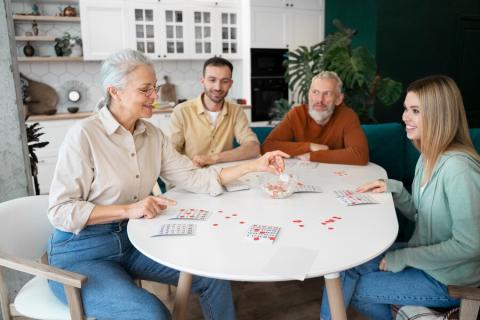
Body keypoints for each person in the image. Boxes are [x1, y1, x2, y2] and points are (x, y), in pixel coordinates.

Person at [47, 49, 288, 320]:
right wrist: (128, 210)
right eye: (145, 89)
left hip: (134, 240)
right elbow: (60, 211)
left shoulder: (152, 135)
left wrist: (254, 165)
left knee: (213, 276)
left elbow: (197, 178)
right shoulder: (84, 135)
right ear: (115, 92)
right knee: (151, 313)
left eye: (155, 87)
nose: (155, 96)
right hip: (82, 253)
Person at [320, 75, 480, 320]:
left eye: (415, 111)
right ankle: (411, 313)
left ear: (440, 115)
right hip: (425, 257)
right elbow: (419, 213)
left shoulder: (459, 169)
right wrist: (392, 189)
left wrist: (405, 257)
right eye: (406, 109)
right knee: (344, 268)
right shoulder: (427, 156)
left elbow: (470, 245)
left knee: (353, 291)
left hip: (447, 279)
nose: (405, 117)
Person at [262, 71, 369, 165]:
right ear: (309, 94)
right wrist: (310, 147)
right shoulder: (297, 114)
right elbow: (267, 147)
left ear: (338, 99)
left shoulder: (347, 116)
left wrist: (311, 156)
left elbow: (360, 155)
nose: (319, 100)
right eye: (315, 92)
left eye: (327, 93)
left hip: (335, 178)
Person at [169, 56, 260, 167]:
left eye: (224, 81)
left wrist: (214, 158)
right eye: (212, 80)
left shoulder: (236, 110)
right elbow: (170, 154)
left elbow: (253, 148)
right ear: (203, 81)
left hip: (224, 176)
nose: (218, 87)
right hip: (191, 176)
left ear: (230, 84)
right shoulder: (181, 111)